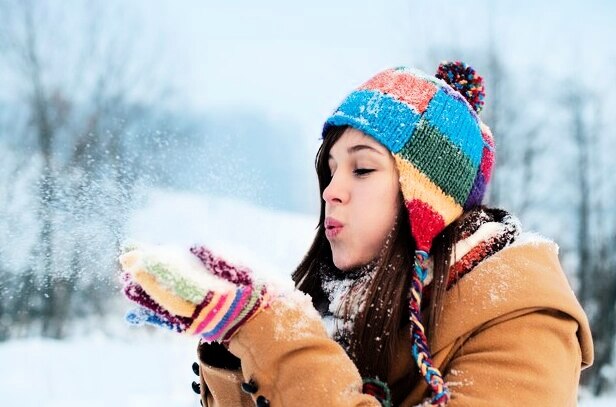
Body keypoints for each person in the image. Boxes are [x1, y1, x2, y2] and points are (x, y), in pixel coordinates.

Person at [119, 62, 594, 406]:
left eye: (362, 168)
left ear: (426, 200)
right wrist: (235, 342)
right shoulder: (342, 302)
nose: (332, 192)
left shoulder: (525, 321)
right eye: (330, 170)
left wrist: (276, 335)